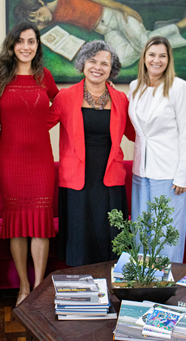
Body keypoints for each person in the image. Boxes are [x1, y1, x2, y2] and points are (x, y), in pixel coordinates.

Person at [48, 40, 135, 267]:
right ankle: (83, 293)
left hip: (110, 180)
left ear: (111, 68)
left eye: (104, 63)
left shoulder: (121, 99)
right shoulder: (65, 97)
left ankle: (110, 288)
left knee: (112, 240)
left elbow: (137, 134)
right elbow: (40, 125)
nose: (98, 67)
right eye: (92, 61)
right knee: (80, 240)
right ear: (83, 63)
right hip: (77, 180)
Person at [0, 22, 59, 306]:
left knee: (40, 224)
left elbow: (61, 104)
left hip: (41, 160)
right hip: (9, 159)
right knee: (17, 224)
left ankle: (41, 287)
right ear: (12, 45)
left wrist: (43, 124)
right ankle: (23, 287)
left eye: (32, 41)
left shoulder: (46, 77)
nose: (26, 46)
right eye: (20, 41)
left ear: (37, 46)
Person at [128, 36, 186, 264]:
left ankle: (167, 289)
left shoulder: (179, 87)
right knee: (141, 234)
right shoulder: (135, 87)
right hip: (141, 172)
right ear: (144, 57)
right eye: (152, 55)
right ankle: (142, 287)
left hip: (168, 174)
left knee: (166, 235)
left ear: (169, 59)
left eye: (162, 56)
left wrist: (183, 175)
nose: (157, 60)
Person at [13, 0, 186, 67]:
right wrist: (34, 22)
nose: (41, 19)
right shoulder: (52, 18)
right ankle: (159, 31)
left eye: (38, 13)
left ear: (41, 2)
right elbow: (35, 30)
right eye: (36, 19)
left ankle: (185, 22)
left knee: (145, 46)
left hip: (115, 16)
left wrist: (124, 9)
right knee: (124, 60)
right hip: (105, 30)